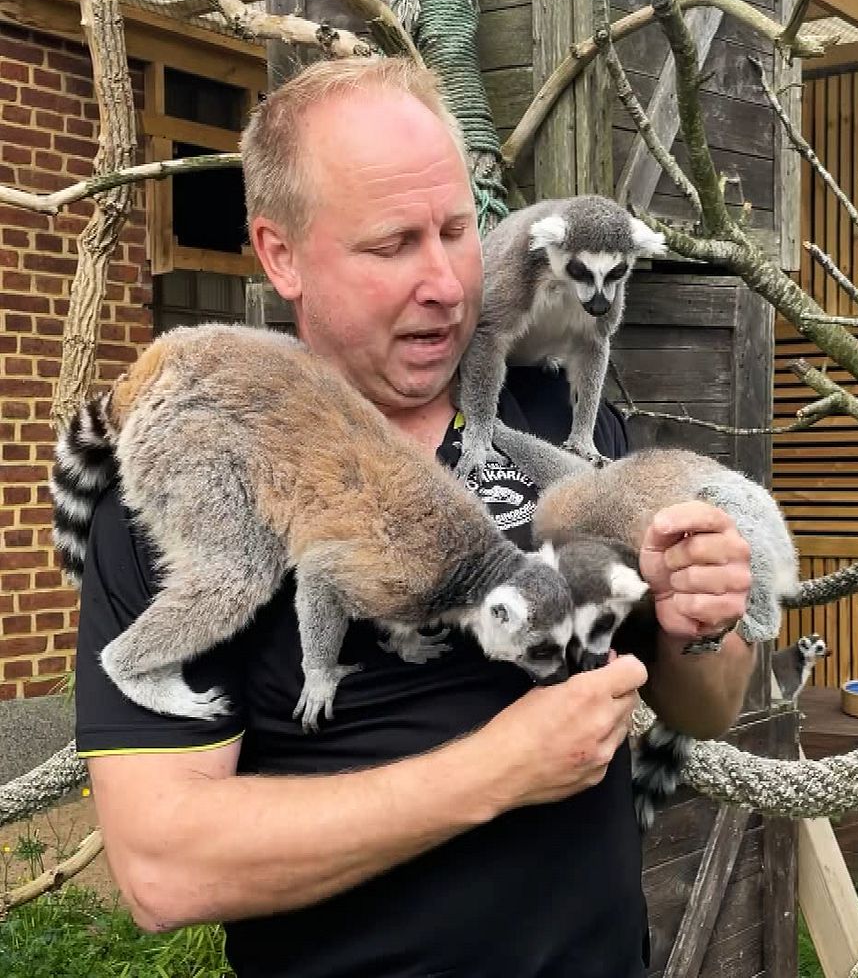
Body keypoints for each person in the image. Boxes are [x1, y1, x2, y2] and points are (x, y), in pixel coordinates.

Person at [74, 57, 756, 977]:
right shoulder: (200, 467)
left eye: (456, 229)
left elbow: (704, 706)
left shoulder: (554, 415)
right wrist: (494, 774)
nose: (445, 282)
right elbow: (164, 868)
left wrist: (696, 621)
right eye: (393, 244)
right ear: (282, 256)